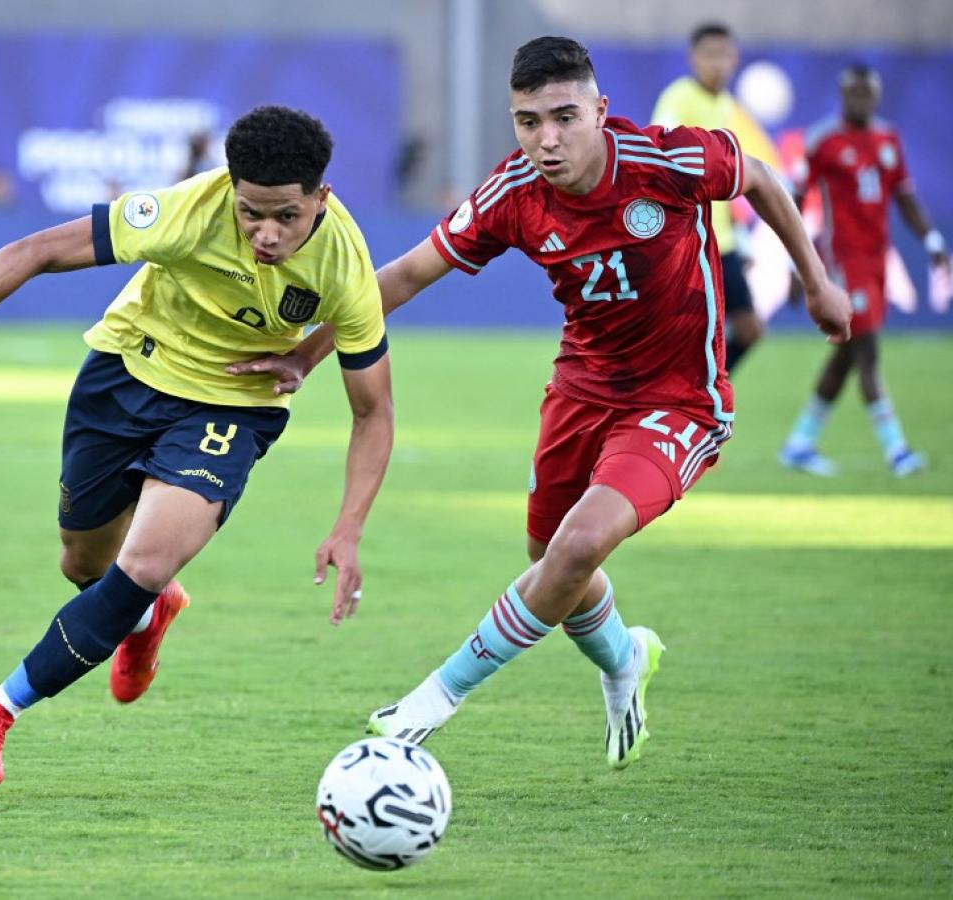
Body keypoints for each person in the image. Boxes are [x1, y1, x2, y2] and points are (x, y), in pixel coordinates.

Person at [231, 38, 850, 768]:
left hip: (680, 399)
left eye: (564, 117)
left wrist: (816, 282)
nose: (546, 140)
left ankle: (434, 697)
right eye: (528, 122)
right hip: (580, 391)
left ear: (600, 111)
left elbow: (762, 180)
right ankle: (625, 659)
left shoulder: (668, 159)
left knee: (577, 548)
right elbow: (405, 275)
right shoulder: (513, 193)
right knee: (552, 558)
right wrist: (306, 352)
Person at [0, 106, 394, 790]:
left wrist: (347, 526)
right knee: (83, 563)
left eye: (286, 216)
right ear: (230, 189)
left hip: (232, 404)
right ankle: (146, 615)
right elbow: (35, 252)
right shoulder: (187, 212)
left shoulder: (343, 264)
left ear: (321, 198)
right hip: (126, 373)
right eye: (251, 213)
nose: (266, 233)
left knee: (146, 562)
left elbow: (373, 411)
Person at [779, 64, 949, 478]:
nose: (861, 101)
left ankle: (799, 443)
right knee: (866, 349)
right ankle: (897, 452)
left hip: (876, 260)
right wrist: (793, 264)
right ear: (842, 96)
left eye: (867, 94)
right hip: (842, 259)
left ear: (877, 96)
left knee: (847, 353)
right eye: (853, 93)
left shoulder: (888, 139)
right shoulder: (823, 140)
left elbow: (905, 197)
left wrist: (932, 241)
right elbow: (791, 202)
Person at [650, 22, 785, 374]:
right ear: (693, 58)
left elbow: (726, 180)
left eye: (724, 55)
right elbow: (657, 157)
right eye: (710, 55)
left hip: (723, 242)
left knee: (750, 330)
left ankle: (702, 390)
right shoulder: (679, 97)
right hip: (688, 241)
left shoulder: (726, 104)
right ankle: (685, 392)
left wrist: (741, 238)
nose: (718, 64)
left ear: (735, 59)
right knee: (685, 334)